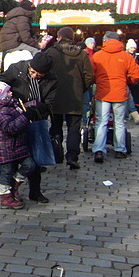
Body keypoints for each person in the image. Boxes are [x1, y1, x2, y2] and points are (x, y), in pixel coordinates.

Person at [0, 51, 57, 203]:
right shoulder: (16, 68)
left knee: (35, 158)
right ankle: (11, 190)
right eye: (33, 72)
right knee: (15, 156)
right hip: (15, 118)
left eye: (40, 74)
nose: (35, 76)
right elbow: (0, 83)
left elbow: (50, 104)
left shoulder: (52, 79)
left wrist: (36, 108)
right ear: (29, 66)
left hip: (36, 119)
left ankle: (35, 192)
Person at [0, 80, 37, 210]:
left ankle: (14, 184)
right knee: (6, 172)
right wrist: (25, 116)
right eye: (8, 91)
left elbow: (20, 110)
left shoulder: (10, 104)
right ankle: (5, 197)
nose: (11, 92)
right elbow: (10, 128)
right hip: (6, 147)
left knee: (29, 165)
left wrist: (33, 106)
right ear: (1, 96)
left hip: (17, 145)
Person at [90, 31, 139, 163]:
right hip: (120, 93)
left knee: (101, 122)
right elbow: (136, 74)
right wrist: (126, 81)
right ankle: (120, 150)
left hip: (103, 93)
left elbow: (91, 73)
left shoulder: (97, 56)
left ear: (105, 41)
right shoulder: (126, 56)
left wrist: (98, 81)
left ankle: (98, 150)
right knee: (119, 123)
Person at [46, 27, 94, 170]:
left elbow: (44, 73)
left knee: (55, 126)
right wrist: (82, 88)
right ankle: (72, 156)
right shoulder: (82, 55)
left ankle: (56, 154)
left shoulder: (51, 53)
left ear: (59, 37)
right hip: (75, 96)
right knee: (74, 128)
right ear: (73, 39)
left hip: (55, 96)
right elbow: (89, 76)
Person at [124, 39, 139, 125]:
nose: (133, 49)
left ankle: (131, 115)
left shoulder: (136, 57)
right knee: (127, 97)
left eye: (134, 47)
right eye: (131, 47)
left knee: (128, 97)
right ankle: (133, 115)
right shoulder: (125, 56)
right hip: (125, 80)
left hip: (131, 80)